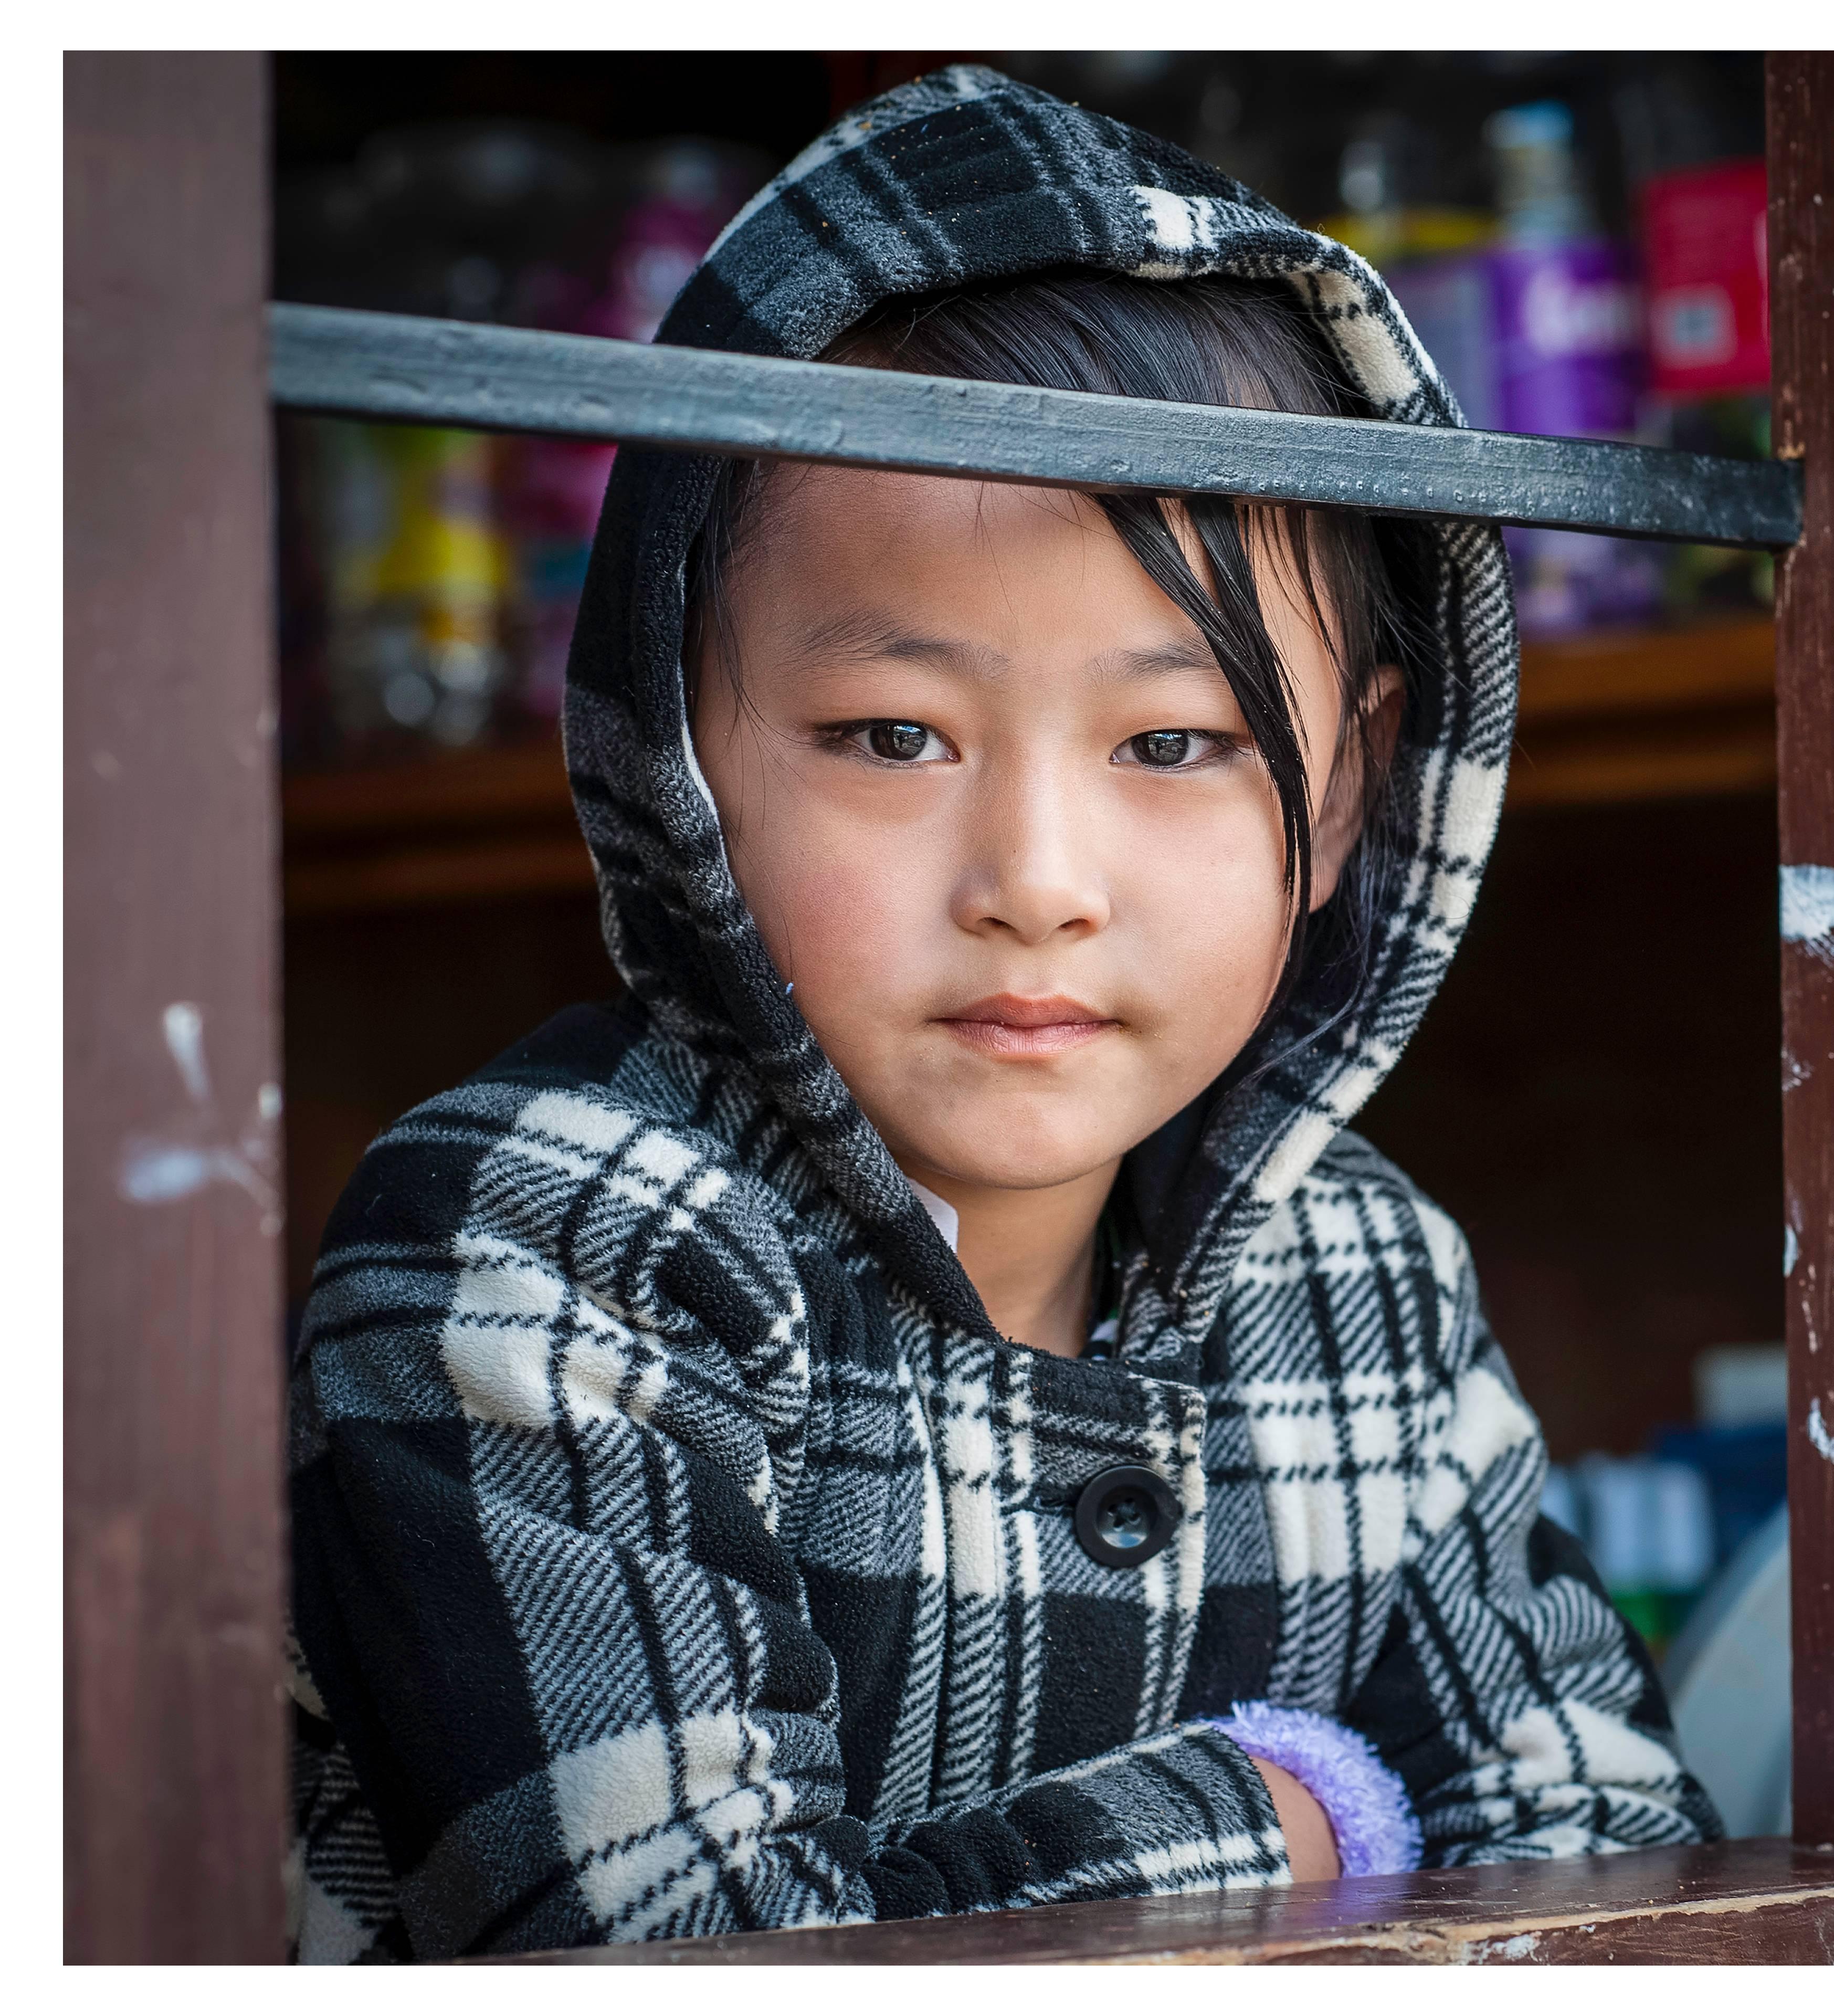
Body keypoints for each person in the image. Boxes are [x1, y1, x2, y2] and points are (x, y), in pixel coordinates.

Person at [286, 66, 1721, 1962]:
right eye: (895, 736)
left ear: (1352, 792)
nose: (1037, 877)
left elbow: (1607, 1877)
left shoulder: (1361, 1272)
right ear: (677, 749)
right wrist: (1281, 1814)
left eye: (1177, 742)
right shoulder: (553, 1248)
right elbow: (694, 1960)